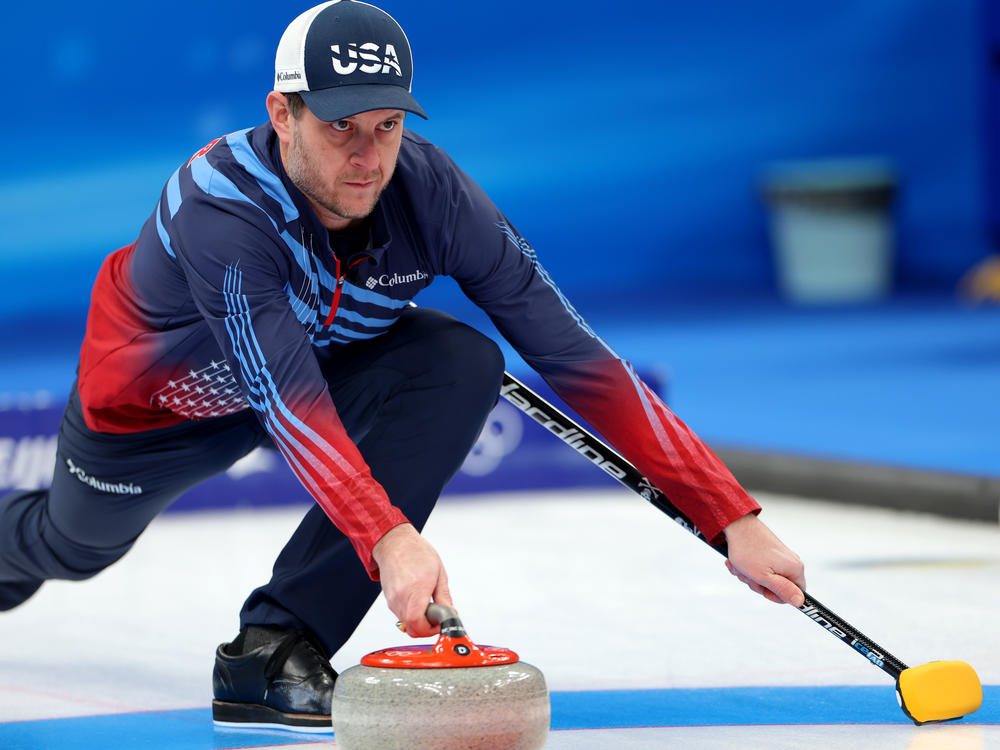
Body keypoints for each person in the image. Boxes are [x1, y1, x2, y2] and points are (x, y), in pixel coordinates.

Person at [0, 0, 806, 732]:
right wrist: (389, 538)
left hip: (318, 365)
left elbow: (573, 354)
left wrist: (731, 513)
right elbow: (284, 400)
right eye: (340, 127)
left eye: (386, 126)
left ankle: (274, 647)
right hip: (158, 413)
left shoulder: (430, 189)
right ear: (283, 114)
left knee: (460, 360)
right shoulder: (222, 207)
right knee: (75, 549)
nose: (367, 156)